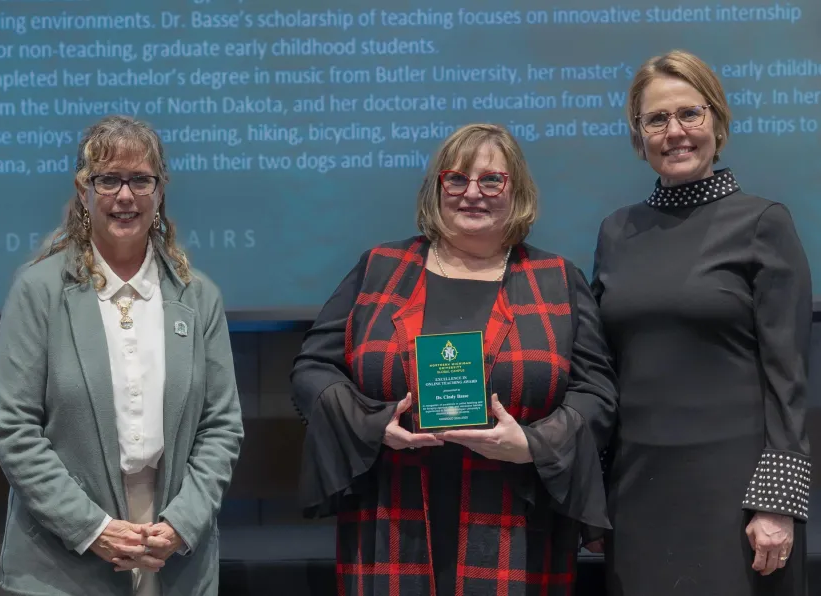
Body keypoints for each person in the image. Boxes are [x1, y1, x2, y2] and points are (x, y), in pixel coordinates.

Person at [291, 123, 618, 595]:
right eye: (457, 179)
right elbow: (313, 369)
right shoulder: (381, 268)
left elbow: (596, 392)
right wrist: (371, 423)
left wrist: (533, 444)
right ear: (437, 189)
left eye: (491, 180)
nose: (473, 194)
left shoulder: (556, 279)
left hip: (516, 520)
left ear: (517, 191)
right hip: (391, 513)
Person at [0, 115, 244, 596]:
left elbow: (222, 425)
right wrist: (93, 529)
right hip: (62, 553)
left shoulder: (198, 296)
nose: (125, 196)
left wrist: (180, 525)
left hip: (172, 549)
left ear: (160, 189)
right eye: (108, 179)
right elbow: (14, 427)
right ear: (84, 189)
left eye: (140, 180)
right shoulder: (38, 290)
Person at [591, 50, 812, 595]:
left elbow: (789, 380)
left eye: (690, 113)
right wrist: (591, 497)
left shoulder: (764, 223)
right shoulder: (616, 232)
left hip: (735, 497)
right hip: (636, 493)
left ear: (718, 122)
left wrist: (777, 505)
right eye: (656, 119)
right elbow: (603, 372)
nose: (675, 132)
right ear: (638, 137)